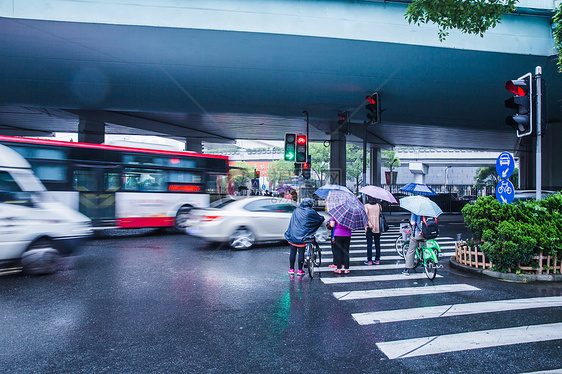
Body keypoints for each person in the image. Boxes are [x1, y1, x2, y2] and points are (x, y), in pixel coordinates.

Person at [284, 198, 325, 276]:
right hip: (302, 235)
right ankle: (300, 270)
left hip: (293, 234)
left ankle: (291, 269)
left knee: (292, 252)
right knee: (301, 252)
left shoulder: (296, 210)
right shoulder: (311, 211)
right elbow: (319, 219)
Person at [364, 196, 382, 265]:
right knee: (377, 244)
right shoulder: (379, 206)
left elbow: (365, 217)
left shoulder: (366, 206)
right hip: (378, 227)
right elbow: (380, 215)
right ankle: (377, 259)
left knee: (369, 244)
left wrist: (369, 224)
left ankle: (369, 260)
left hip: (369, 227)